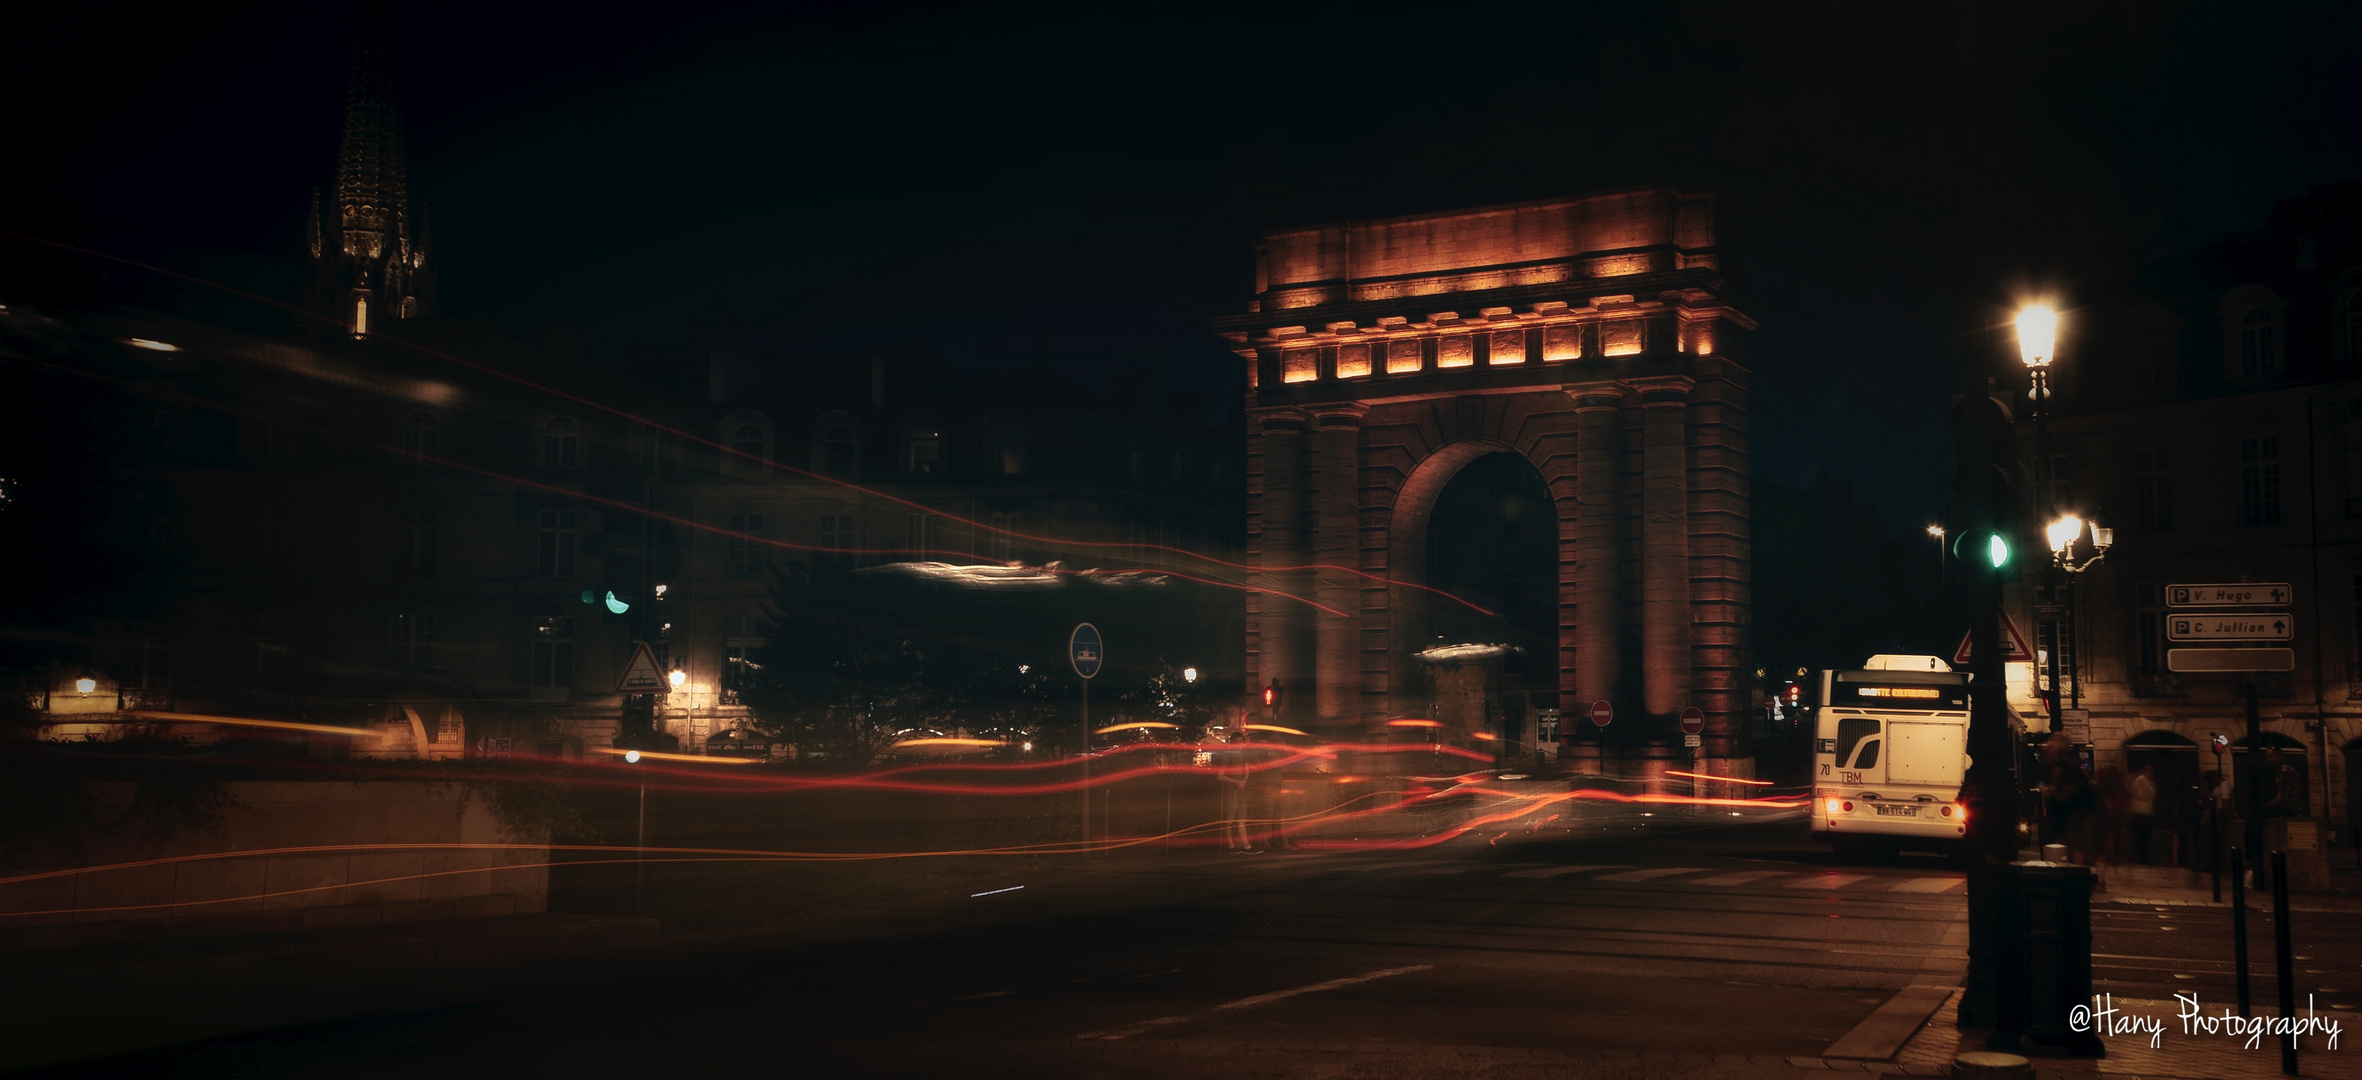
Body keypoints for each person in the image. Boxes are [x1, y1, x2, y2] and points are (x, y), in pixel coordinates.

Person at [1219, 732, 1258, 853]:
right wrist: (1236, 781)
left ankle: (1246, 845)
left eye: (1241, 742)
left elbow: (1247, 769)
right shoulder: (1227, 755)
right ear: (1231, 742)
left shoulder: (1244, 754)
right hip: (1232, 790)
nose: (1238, 744)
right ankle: (1231, 846)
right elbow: (1220, 775)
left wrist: (1244, 780)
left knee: (1242, 819)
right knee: (1229, 819)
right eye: (1235, 742)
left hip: (1242, 789)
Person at [2129, 765, 2158, 864]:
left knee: (2143, 836)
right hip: (2141, 812)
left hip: (2145, 813)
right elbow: (2144, 795)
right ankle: (2140, 857)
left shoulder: (2146, 781)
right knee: (2141, 836)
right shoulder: (2141, 780)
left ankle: (2142, 856)